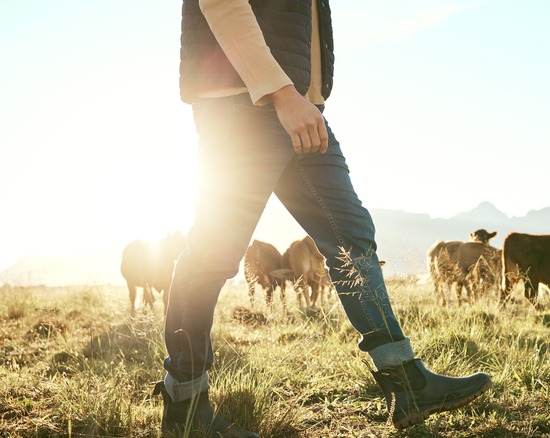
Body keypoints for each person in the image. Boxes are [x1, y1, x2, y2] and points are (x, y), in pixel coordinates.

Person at [152, 1, 493, 436]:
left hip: (299, 107)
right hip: (245, 103)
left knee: (351, 234)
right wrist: (281, 92)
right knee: (213, 254)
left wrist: (302, 97)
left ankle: (405, 380)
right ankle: (185, 402)